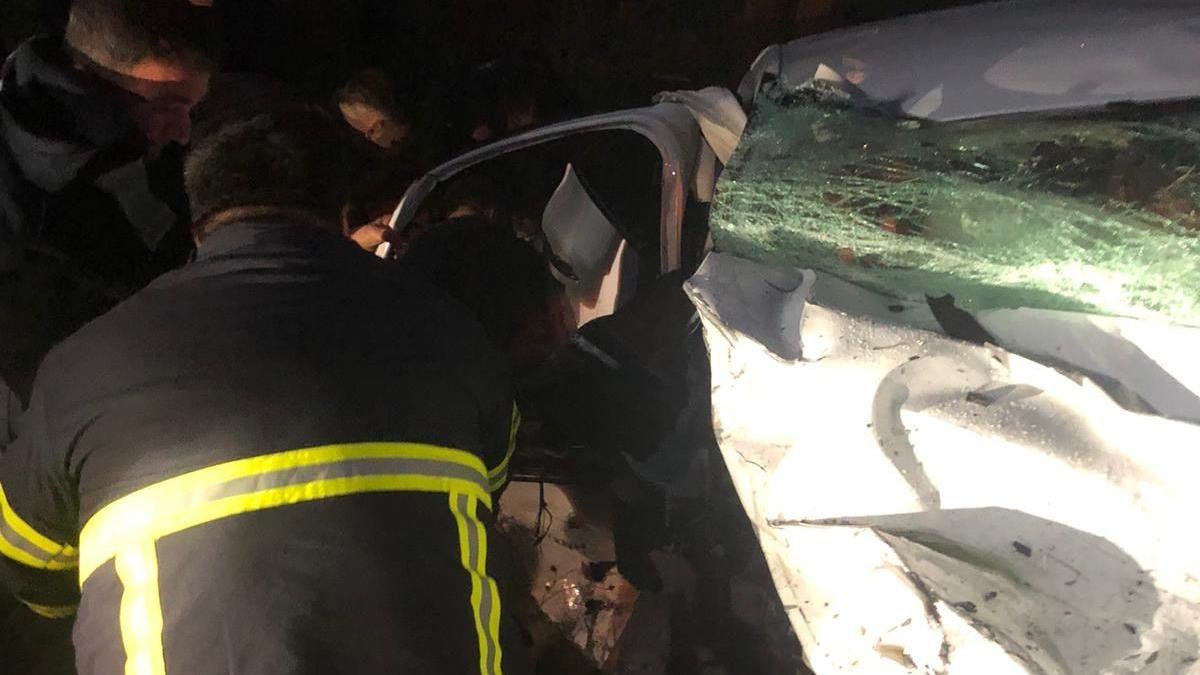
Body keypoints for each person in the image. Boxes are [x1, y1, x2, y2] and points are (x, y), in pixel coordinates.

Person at [0, 103, 530, 674]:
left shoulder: (81, 367)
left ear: (198, 223)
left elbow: (30, 566)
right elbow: (492, 479)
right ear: (342, 213)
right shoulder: (451, 330)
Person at [0, 0, 218, 449]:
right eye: (168, 105)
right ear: (87, 80)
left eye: (191, 108)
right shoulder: (17, 187)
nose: (183, 131)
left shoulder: (141, 152)